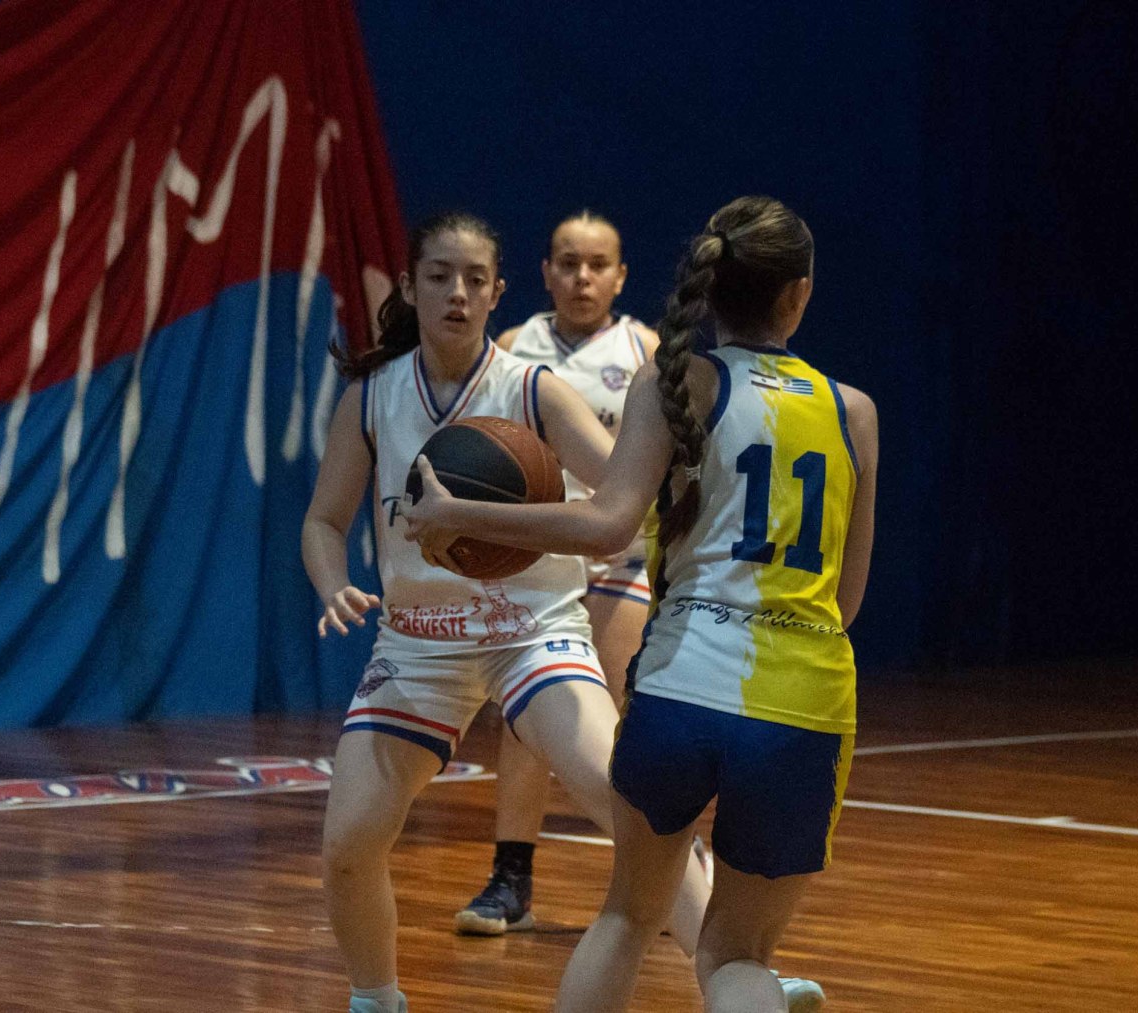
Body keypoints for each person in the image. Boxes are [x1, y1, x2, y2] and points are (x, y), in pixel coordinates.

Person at [405, 195, 877, 1013]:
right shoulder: (854, 412)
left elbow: (605, 524)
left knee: (626, 917)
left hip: (680, 690)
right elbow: (848, 598)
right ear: (798, 294)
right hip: (802, 704)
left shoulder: (674, 382)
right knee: (737, 957)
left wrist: (459, 513)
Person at [302, 211, 721, 1013]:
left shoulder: (532, 388)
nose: (456, 293)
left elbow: (623, 494)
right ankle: (376, 997)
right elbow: (323, 520)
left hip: (531, 628)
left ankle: (732, 977)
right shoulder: (373, 397)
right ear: (410, 287)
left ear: (498, 292)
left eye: (473, 279)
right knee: (348, 842)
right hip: (418, 641)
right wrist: (331, 583)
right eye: (439, 277)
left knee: (622, 797)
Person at [454, 212, 659, 937]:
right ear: (545, 272)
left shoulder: (646, 350)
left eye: (597, 265)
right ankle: (511, 877)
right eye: (568, 263)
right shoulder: (514, 348)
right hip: (539, 561)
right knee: (528, 716)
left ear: (621, 276)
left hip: (621, 558)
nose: (582, 277)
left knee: (631, 724)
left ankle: (660, 875)